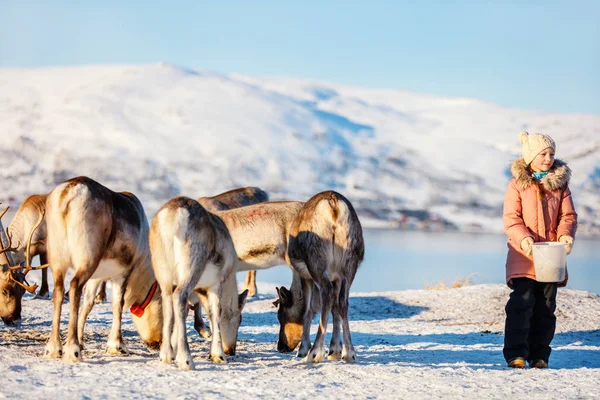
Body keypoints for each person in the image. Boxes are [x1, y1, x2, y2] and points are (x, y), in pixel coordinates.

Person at [502, 131, 577, 369]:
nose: (548, 158)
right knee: (521, 303)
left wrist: (565, 235)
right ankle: (516, 354)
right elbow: (511, 218)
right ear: (530, 156)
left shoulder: (560, 185)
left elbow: (569, 216)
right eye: (543, 154)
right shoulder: (517, 185)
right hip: (523, 253)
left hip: (551, 256)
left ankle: (540, 355)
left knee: (546, 306)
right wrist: (524, 239)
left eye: (551, 154)